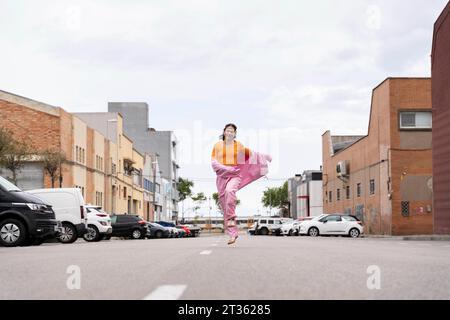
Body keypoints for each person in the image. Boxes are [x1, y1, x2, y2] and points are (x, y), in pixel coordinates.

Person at [211, 123, 272, 245]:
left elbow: (251, 154)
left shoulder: (238, 146)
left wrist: (263, 158)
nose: (229, 132)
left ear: (234, 134)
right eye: (227, 130)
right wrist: (227, 169)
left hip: (235, 176)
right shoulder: (217, 146)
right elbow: (214, 163)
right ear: (224, 132)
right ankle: (231, 232)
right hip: (222, 177)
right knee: (224, 204)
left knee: (230, 192)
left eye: (232, 131)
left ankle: (233, 232)